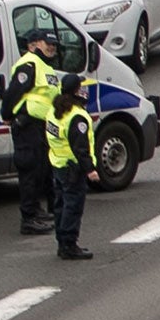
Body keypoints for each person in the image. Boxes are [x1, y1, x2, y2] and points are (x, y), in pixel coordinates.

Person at [3, 27, 60, 235]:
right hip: (27, 126)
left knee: (41, 171)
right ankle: (28, 219)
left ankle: (36, 211)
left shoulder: (45, 67)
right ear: (34, 45)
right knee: (29, 171)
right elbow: (13, 93)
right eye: (48, 44)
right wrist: (7, 114)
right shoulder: (29, 64)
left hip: (40, 126)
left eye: (54, 44)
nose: (52, 47)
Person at [45, 72, 98, 261]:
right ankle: (69, 244)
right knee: (72, 206)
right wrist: (90, 169)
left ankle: (62, 242)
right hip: (72, 169)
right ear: (76, 91)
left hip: (58, 164)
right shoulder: (77, 116)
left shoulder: (55, 110)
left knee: (60, 206)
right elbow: (80, 147)